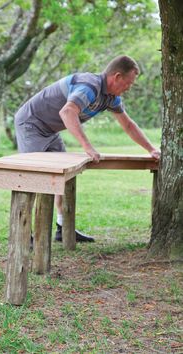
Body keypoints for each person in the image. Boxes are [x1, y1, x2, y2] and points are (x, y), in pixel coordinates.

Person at [15, 55, 160, 243]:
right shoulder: (89, 86)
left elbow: (128, 125)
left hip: (50, 130)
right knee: (34, 178)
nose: (128, 88)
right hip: (31, 123)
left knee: (64, 176)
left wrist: (151, 149)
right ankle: (25, 236)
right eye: (128, 84)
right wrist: (88, 147)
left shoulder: (110, 98)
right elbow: (67, 112)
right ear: (116, 77)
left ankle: (62, 227)